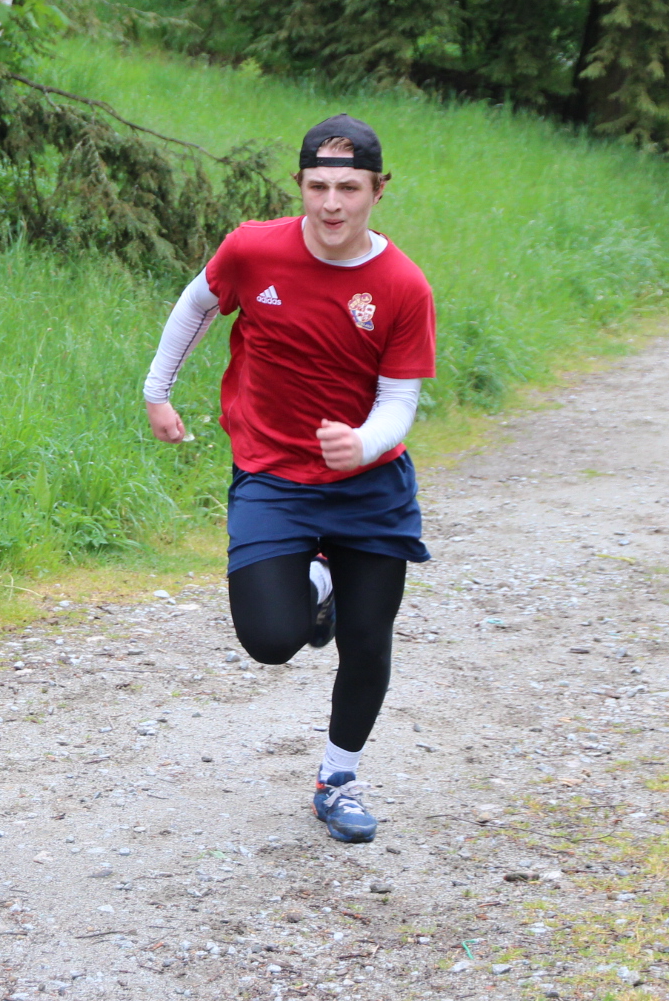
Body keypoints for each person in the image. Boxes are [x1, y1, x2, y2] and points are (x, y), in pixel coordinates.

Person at [142, 114, 435, 844]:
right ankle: (318, 583)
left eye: (349, 188)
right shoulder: (253, 249)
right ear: (300, 185)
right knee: (271, 639)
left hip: (369, 486)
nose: (332, 204)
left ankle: (338, 781)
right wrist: (157, 391)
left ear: (378, 191)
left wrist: (361, 442)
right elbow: (196, 305)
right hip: (274, 475)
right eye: (318, 187)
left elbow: (399, 401)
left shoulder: (402, 285)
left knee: (366, 642)